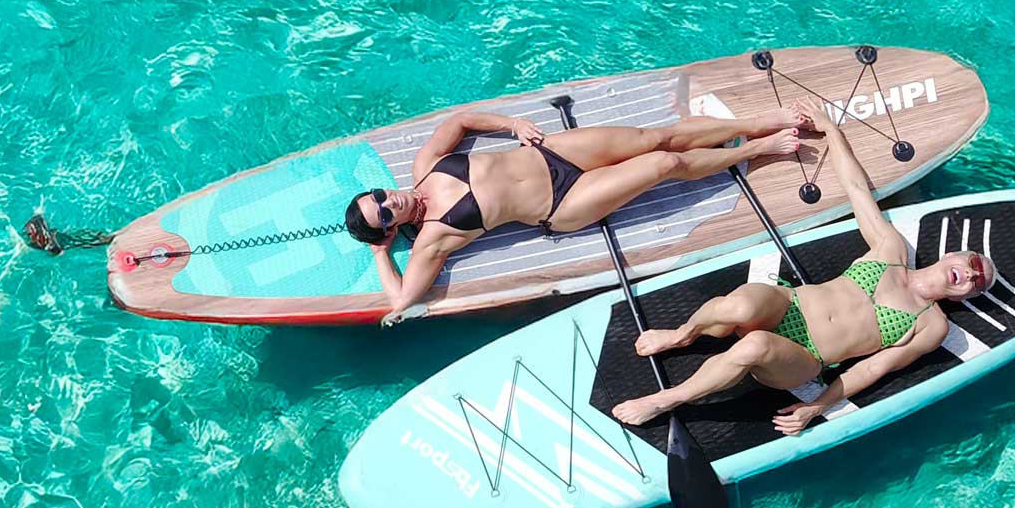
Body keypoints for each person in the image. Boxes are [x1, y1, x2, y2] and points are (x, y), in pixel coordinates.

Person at [610, 99, 993, 434]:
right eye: (974, 263)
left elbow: (873, 369)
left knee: (755, 344)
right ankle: (682, 334)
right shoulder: (891, 250)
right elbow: (857, 189)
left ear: (965, 295)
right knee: (738, 307)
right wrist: (831, 131)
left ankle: (667, 399)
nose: (973, 274)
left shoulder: (932, 325)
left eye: (977, 284)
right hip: (787, 304)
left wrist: (818, 406)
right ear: (952, 256)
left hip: (803, 356)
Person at [346, 105, 810, 324]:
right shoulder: (433, 237)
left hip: (553, 151)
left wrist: (512, 124)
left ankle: (754, 122)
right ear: (391, 228)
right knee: (664, 164)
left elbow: (459, 121)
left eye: (379, 197)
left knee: (654, 137)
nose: (390, 203)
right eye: (384, 216)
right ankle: (757, 149)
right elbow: (403, 300)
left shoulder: (426, 165)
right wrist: (380, 253)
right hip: (564, 204)